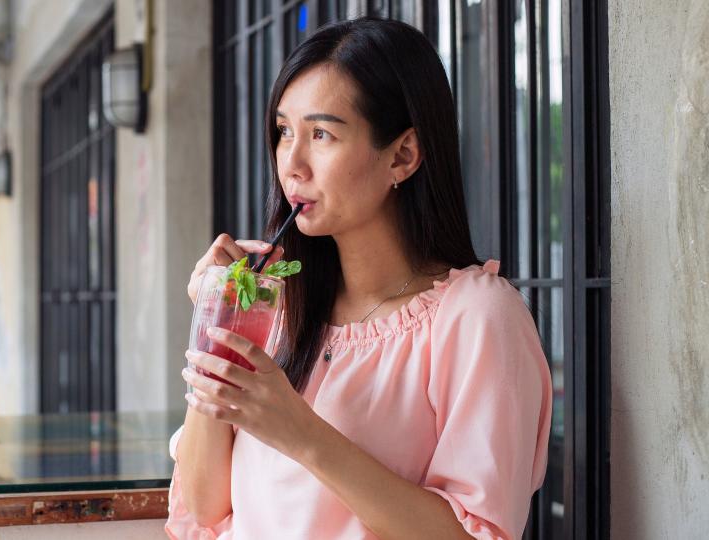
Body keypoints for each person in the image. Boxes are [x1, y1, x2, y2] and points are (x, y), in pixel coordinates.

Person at [168, 17, 552, 540]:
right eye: (285, 132)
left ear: (403, 155)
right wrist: (218, 322)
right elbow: (205, 507)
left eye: (321, 134)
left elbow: (473, 535)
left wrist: (300, 432)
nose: (292, 164)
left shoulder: (476, 317)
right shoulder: (276, 309)